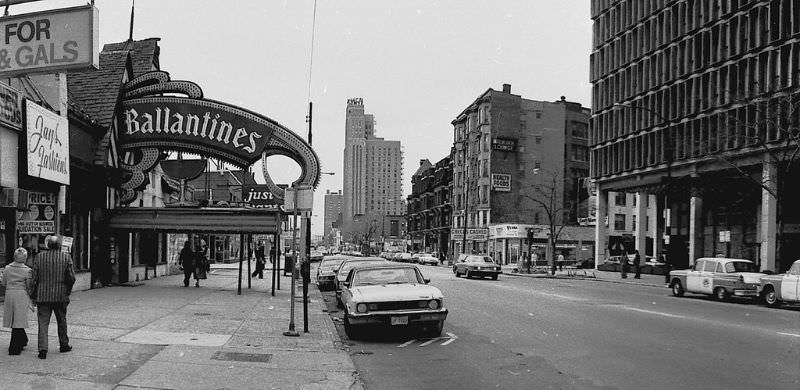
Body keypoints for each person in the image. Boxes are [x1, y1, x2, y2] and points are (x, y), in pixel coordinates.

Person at [31, 235, 75, 360]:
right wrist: (67, 290)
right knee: (62, 320)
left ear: (47, 245)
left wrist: (33, 294)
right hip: (60, 295)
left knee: (43, 323)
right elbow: (71, 277)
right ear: (59, 246)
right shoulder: (66, 257)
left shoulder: (39, 257)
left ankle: (42, 349)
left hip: (43, 295)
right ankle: (64, 344)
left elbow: (34, 278)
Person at [2, 248, 33, 355]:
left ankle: (22, 340)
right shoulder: (27, 270)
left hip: (9, 294)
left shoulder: (7, 268)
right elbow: (29, 286)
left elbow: (4, 282)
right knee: (19, 319)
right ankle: (15, 347)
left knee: (13, 318)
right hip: (21, 295)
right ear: (25, 258)